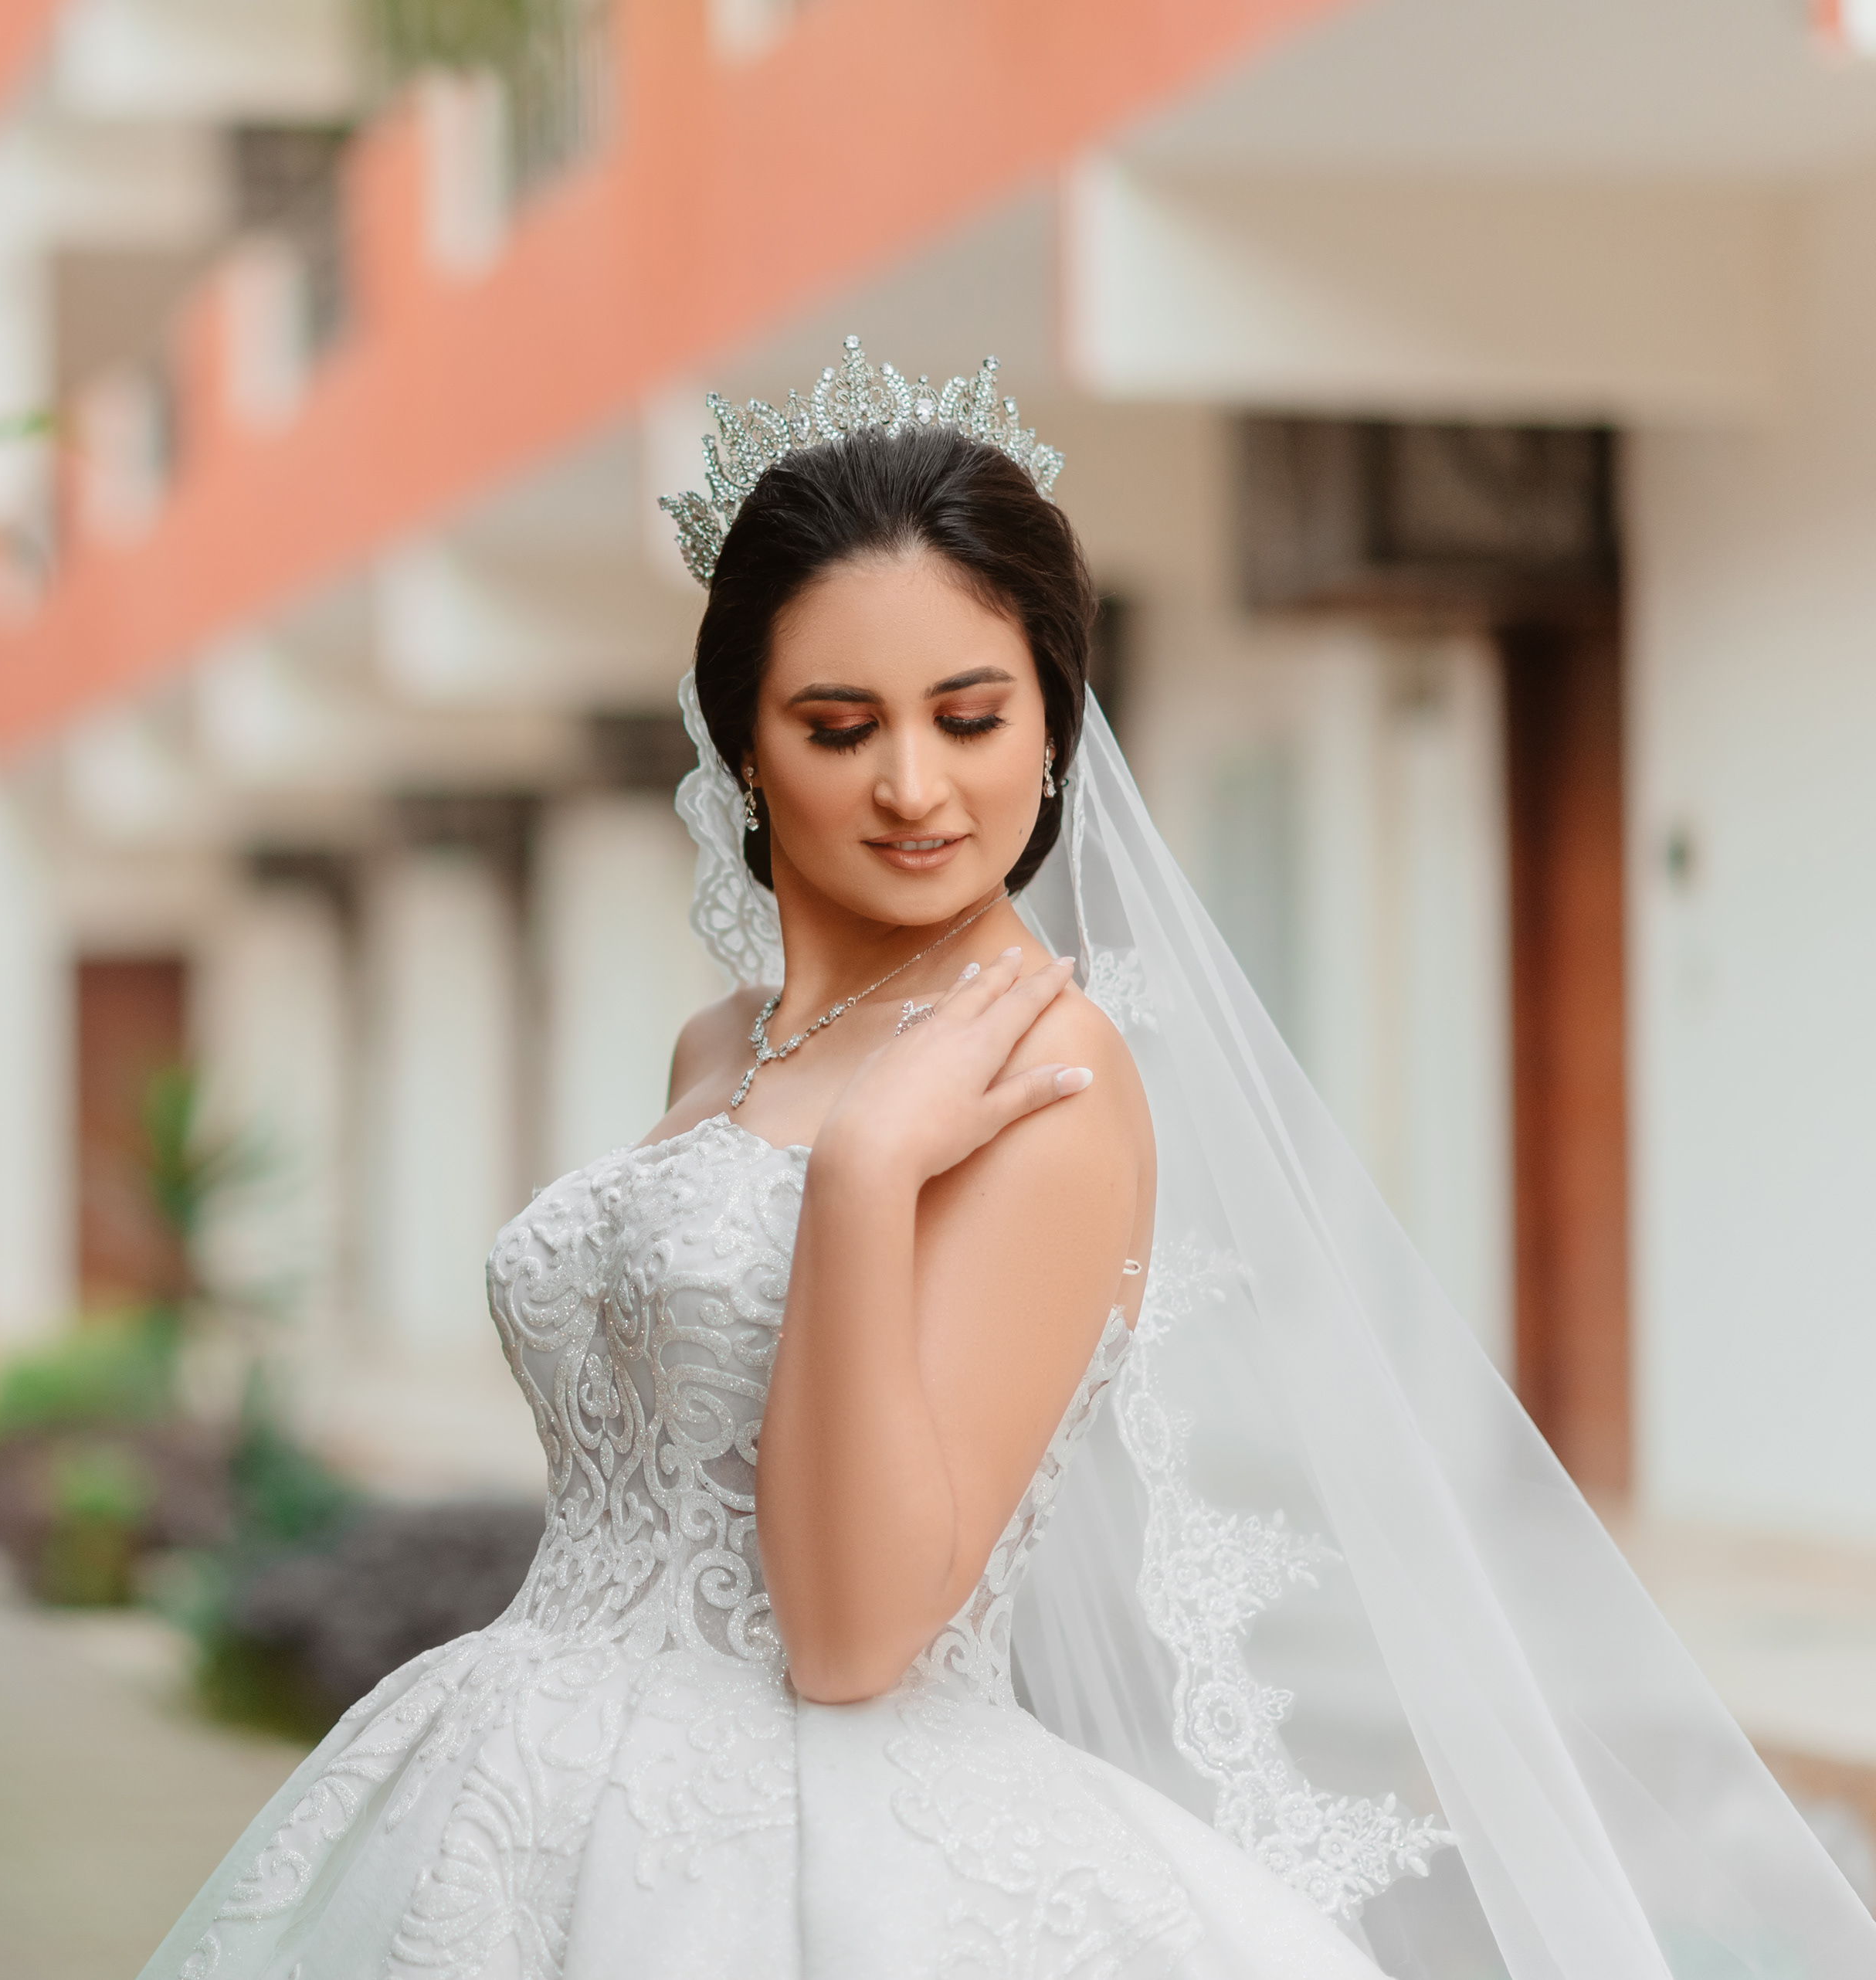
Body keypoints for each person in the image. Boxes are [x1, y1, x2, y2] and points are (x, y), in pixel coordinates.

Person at [136, 344, 1876, 1978]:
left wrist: (868, 1177)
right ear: (742, 738)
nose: (914, 785)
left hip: (807, 1850)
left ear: (1051, 730)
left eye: (972, 716)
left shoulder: (1048, 1078)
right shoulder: (722, 1042)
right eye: (839, 725)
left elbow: (854, 1637)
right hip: (506, 1779)